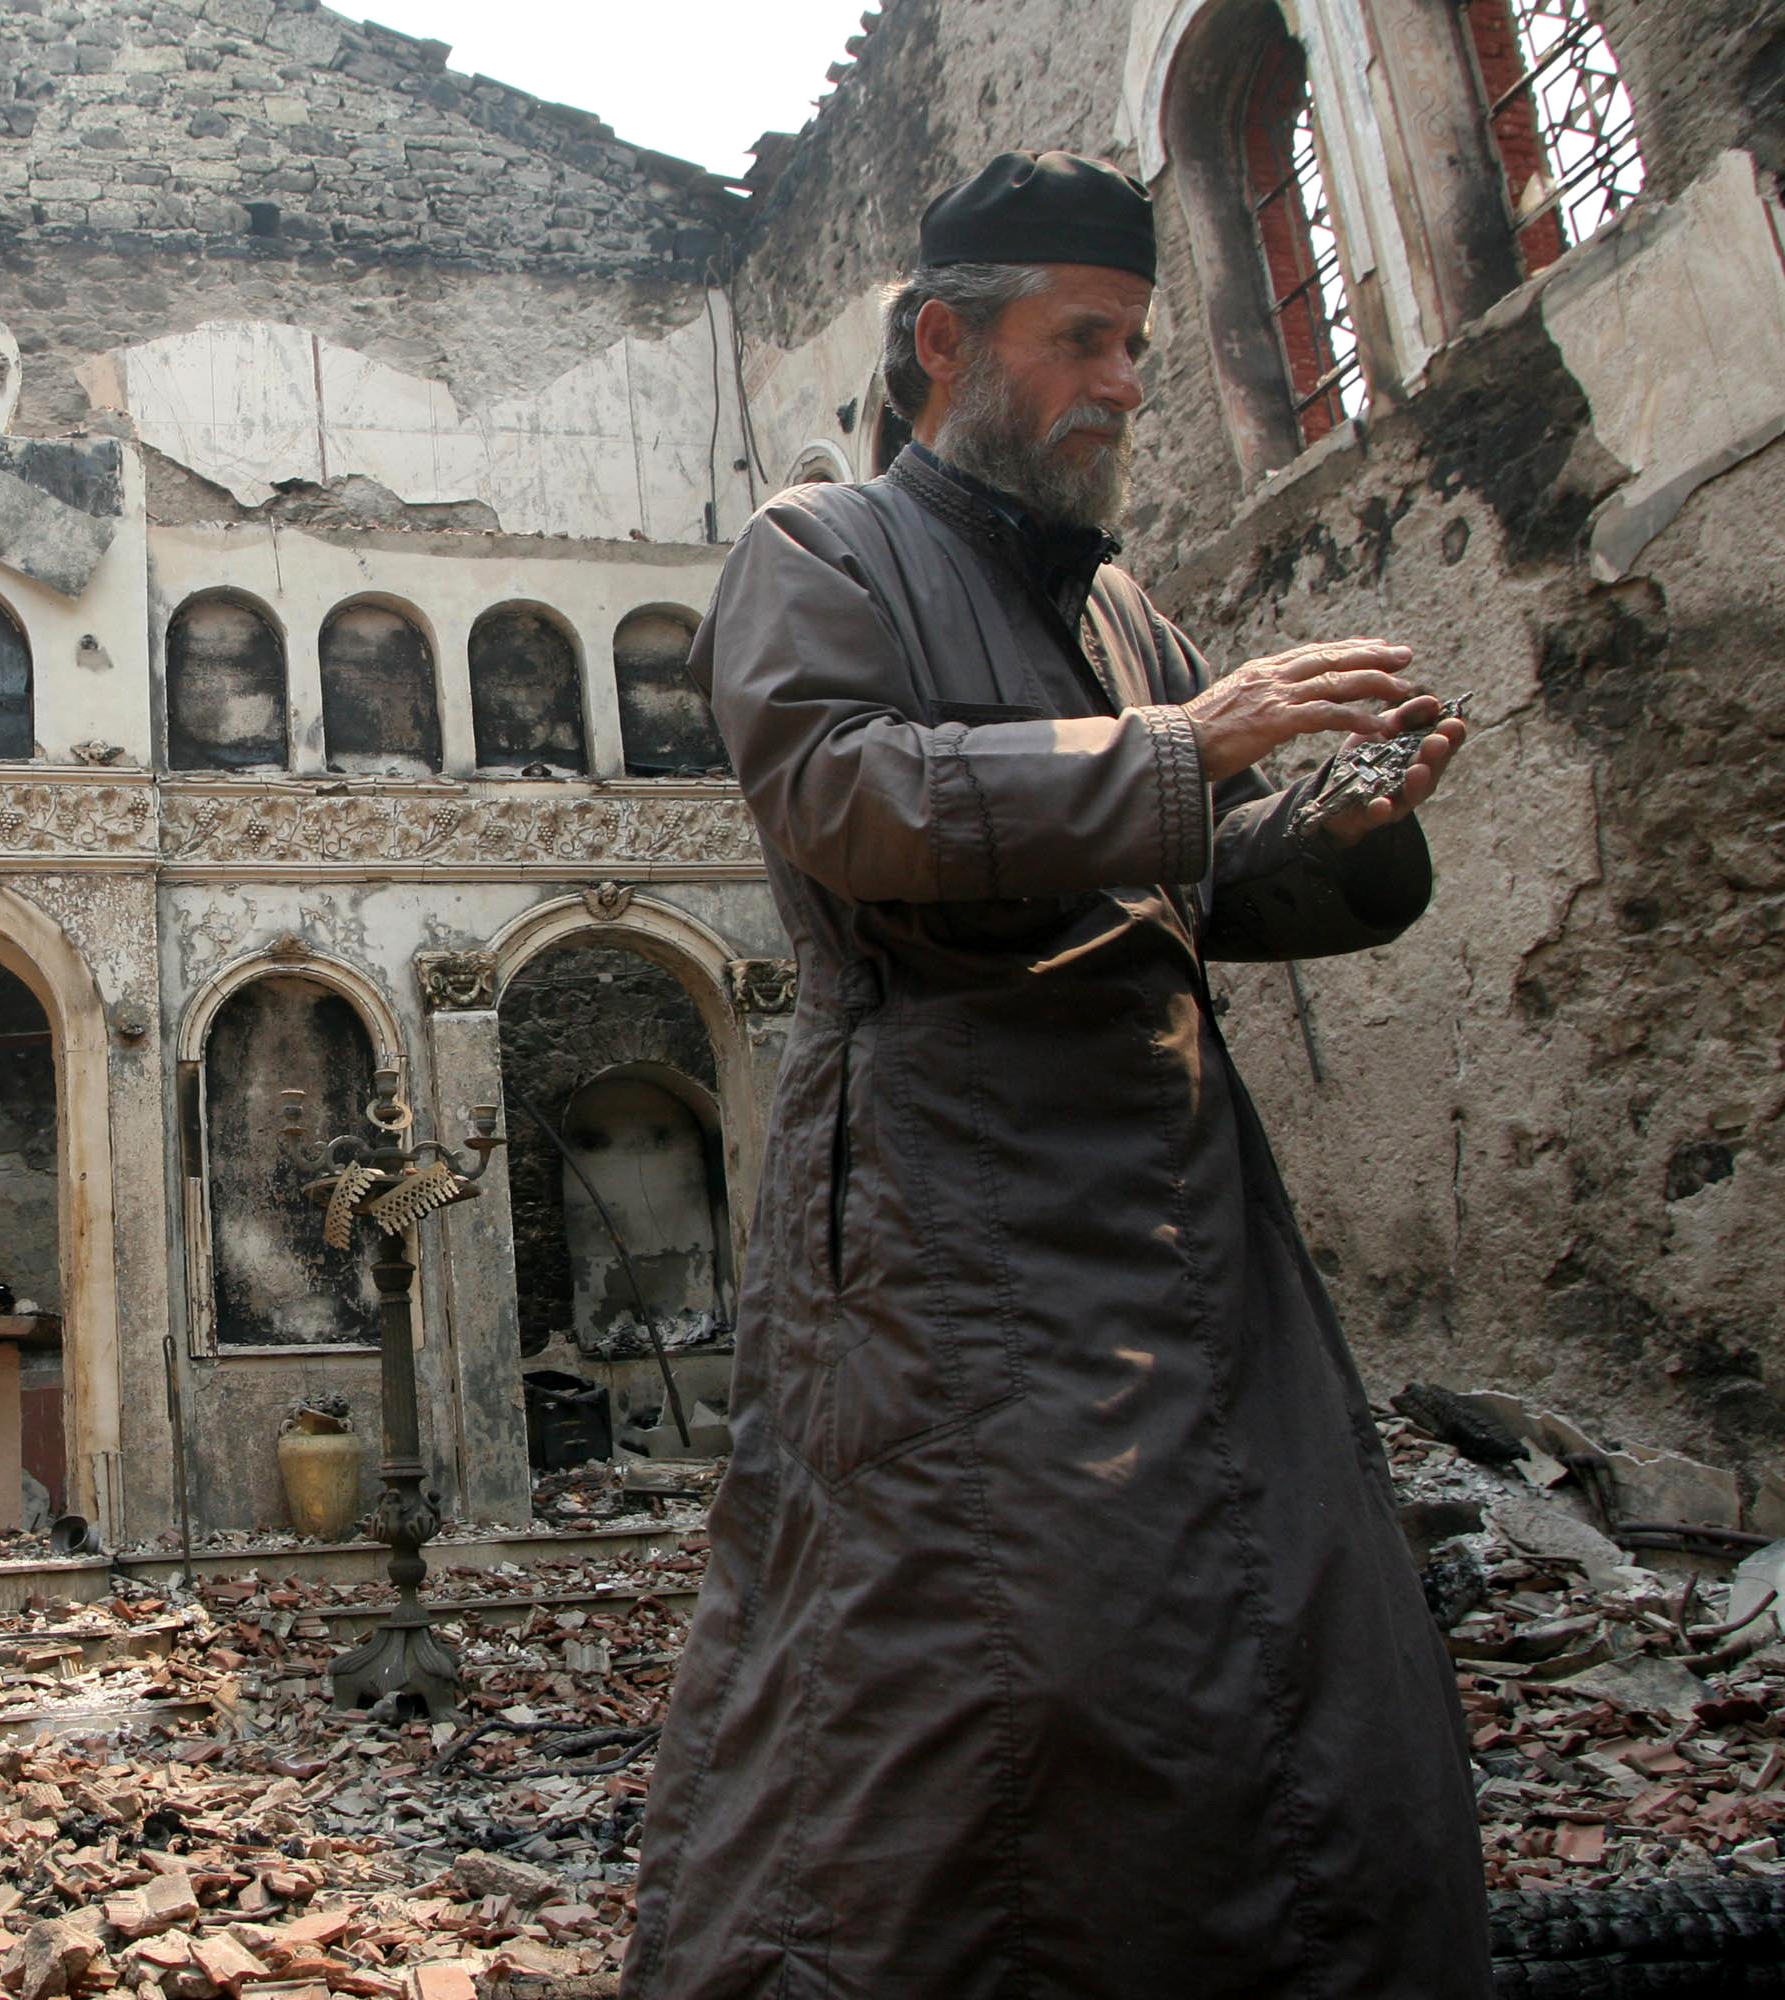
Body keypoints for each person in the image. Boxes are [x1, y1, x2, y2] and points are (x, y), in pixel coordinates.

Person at [620, 151, 1490, 1999]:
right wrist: (1195, 745)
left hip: (1184, 1215)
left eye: (1136, 347)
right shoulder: (820, 551)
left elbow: (1194, 875)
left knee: (1288, 1645)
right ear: (945, 342)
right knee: (1007, 1677)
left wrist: (1341, 811)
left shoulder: (1123, 617)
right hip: (959, 1221)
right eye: (1080, 339)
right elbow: (855, 799)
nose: (1121, 381)